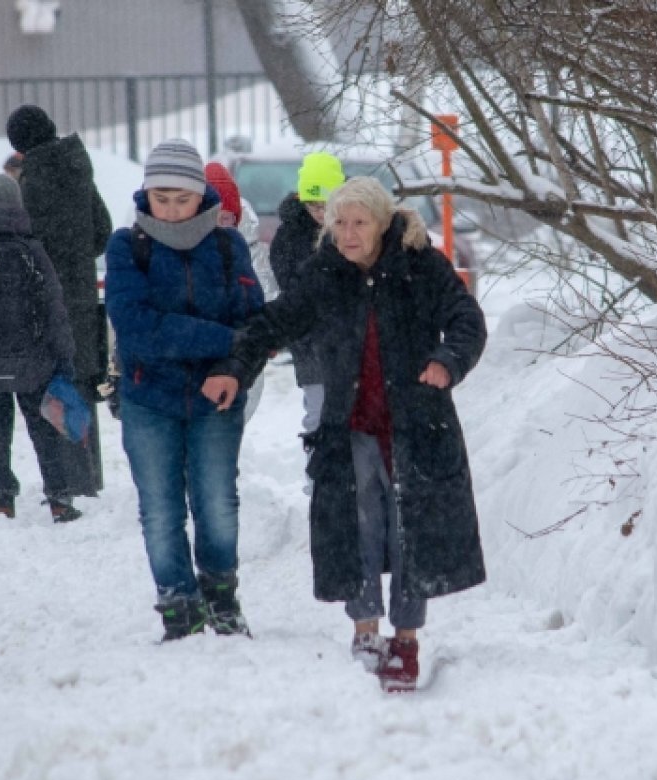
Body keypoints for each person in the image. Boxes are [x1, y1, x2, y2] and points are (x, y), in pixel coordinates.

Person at [206, 176, 488, 691]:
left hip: (414, 426)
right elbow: (274, 323)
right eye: (339, 223)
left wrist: (448, 361)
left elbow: (466, 317)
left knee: (409, 532)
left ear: (382, 224)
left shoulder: (420, 265)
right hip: (349, 427)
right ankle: (365, 632)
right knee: (359, 529)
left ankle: (405, 640)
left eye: (359, 223)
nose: (348, 233)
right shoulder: (326, 273)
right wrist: (235, 367)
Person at [105, 138, 265, 641]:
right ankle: (178, 605)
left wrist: (232, 365)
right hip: (147, 397)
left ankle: (221, 598)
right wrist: (222, 339)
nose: (171, 211)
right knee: (160, 507)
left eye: (182, 199)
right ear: (146, 195)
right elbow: (137, 327)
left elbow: (254, 323)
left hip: (216, 398)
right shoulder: (127, 247)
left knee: (217, 502)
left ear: (200, 195)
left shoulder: (227, 246)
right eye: (161, 198)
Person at [0, 174, 83, 520]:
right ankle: (59, 499)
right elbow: (54, 306)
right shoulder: (31, 250)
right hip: (32, 360)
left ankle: (3, 499)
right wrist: (64, 355)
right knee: (42, 431)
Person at [7, 104, 112, 521]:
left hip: (49, 298)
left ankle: (70, 481)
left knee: (56, 382)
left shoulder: (33, 181)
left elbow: (29, 245)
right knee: (82, 380)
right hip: (82, 294)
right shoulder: (77, 166)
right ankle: (89, 477)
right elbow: (101, 230)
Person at [270, 152, 345, 437]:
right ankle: (316, 481)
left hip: (353, 340)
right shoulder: (289, 236)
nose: (319, 212)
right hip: (310, 345)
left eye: (326, 204)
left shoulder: (354, 226)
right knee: (318, 417)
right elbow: (291, 290)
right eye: (313, 204)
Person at [204, 160, 270, 422]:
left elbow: (264, 301)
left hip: (240, 362)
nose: (220, 225)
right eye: (213, 217)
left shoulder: (249, 252)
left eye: (227, 218)